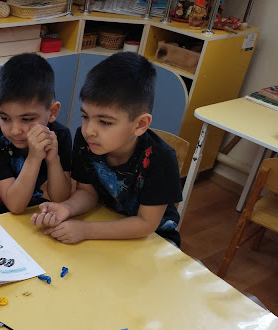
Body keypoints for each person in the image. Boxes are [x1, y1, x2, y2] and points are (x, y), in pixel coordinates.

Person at [31, 52, 183, 246]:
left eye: (104, 122)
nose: (89, 131)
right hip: (107, 222)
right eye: (85, 116)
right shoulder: (86, 141)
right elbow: (87, 192)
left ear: (140, 124)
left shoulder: (161, 158)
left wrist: (85, 230)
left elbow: (145, 224)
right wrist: (66, 208)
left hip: (156, 240)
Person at [0, 53, 72, 222]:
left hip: (27, 208)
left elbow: (61, 199)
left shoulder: (60, 136)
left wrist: (53, 160)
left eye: (27, 119)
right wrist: (34, 157)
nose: (14, 131)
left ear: (52, 112)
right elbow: (15, 205)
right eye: (5, 118)